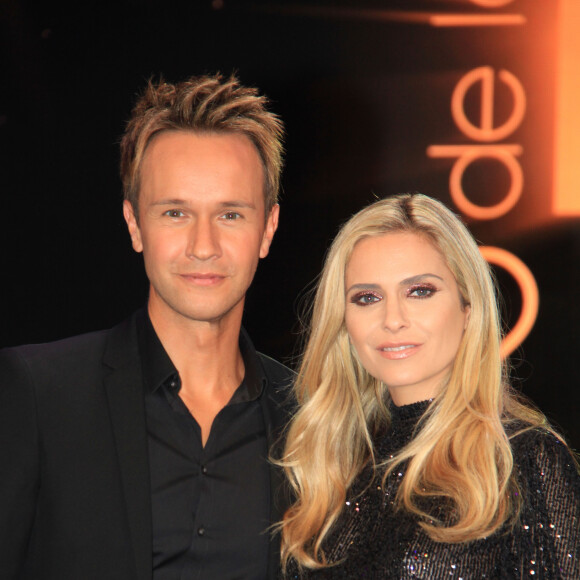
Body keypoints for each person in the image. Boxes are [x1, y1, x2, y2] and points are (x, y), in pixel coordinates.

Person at [0, 74, 294, 580]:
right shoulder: (37, 393)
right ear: (135, 224)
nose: (204, 246)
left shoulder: (311, 417)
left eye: (230, 214)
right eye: (176, 212)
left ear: (267, 229)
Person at [279, 193, 580, 578]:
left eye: (419, 291)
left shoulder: (522, 461)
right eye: (367, 297)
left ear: (467, 310)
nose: (392, 319)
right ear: (343, 321)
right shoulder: (333, 470)